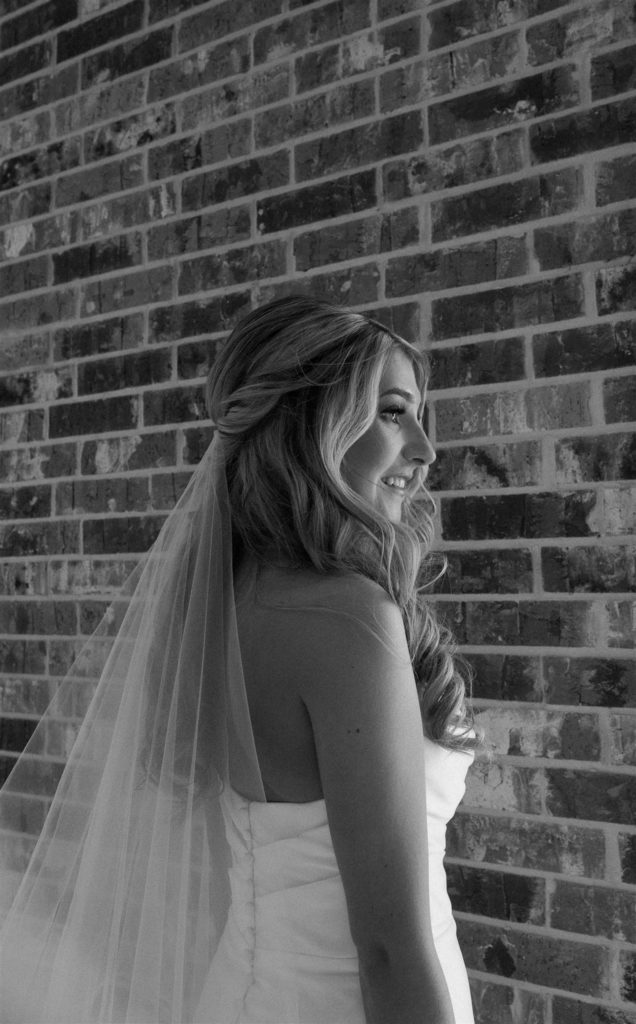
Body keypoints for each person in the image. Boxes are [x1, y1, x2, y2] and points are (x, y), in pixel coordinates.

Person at [0, 295, 477, 1024]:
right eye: (391, 411)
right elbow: (386, 947)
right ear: (312, 423)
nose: (424, 448)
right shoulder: (347, 618)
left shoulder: (224, 605)